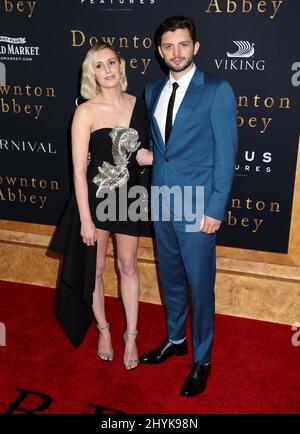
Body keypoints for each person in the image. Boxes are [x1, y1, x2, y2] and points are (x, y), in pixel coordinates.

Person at [138, 16, 238, 395]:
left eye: (183, 44)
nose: (175, 52)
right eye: (168, 46)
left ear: (195, 47)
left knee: (200, 285)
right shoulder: (152, 90)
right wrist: (147, 157)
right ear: (160, 52)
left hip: (198, 208)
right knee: (172, 280)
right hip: (161, 201)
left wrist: (215, 208)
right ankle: (175, 340)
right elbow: (164, 148)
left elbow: (226, 155)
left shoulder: (216, 90)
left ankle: (202, 359)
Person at [50, 41, 151, 370]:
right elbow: (79, 170)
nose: (106, 70)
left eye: (111, 63)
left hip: (131, 197)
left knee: (128, 266)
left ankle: (131, 336)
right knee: (94, 270)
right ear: (90, 73)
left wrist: (175, 158)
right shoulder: (86, 111)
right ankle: (104, 330)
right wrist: (85, 220)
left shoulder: (141, 104)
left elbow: (142, 154)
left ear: (121, 65)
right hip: (96, 199)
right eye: (99, 65)